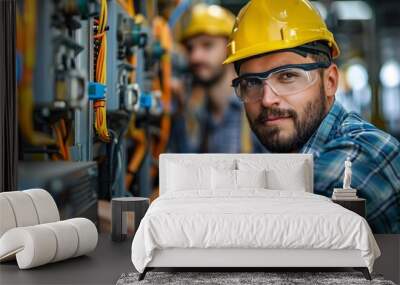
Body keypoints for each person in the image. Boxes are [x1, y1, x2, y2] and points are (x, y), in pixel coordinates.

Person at [223, 0, 400, 233]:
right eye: (252, 82)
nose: (267, 99)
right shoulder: (293, 159)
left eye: (287, 76)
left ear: (330, 82)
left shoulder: (361, 153)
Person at [171, 3, 259, 153]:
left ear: (231, 48)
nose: (195, 57)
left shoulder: (257, 109)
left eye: (207, 45)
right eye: (190, 48)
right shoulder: (194, 114)